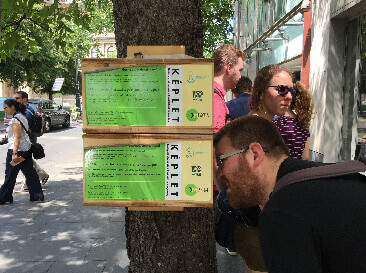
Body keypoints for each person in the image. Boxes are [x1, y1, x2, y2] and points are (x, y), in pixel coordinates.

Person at [214, 115, 366, 273]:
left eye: (221, 161)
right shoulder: (329, 178)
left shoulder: (281, 214)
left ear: (255, 154)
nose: (218, 174)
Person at [223, 64, 298, 273]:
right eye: (282, 89)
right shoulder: (253, 129)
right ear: (262, 91)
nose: (289, 96)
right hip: (260, 220)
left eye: (293, 90)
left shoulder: (269, 126)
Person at [211, 44, 245, 256]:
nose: (241, 76)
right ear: (229, 67)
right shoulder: (215, 100)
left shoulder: (215, 95)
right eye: (240, 69)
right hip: (212, 189)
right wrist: (224, 190)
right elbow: (211, 151)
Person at [0, 99, 44, 204]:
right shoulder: (22, 117)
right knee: (30, 173)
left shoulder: (15, 120)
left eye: (5, 107)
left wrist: (14, 154)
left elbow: (17, 137)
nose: (4, 110)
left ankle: (4, 197)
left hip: (17, 151)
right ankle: (37, 195)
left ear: (12, 107)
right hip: (26, 150)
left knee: (10, 174)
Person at [15, 91, 49, 189]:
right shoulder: (29, 109)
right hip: (29, 139)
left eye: (17, 98)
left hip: (27, 141)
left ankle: (34, 179)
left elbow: (22, 127)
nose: (15, 100)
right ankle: (34, 179)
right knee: (25, 160)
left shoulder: (25, 112)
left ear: (24, 99)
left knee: (22, 160)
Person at [272, 81, 314, 159]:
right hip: (298, 168)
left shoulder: (276, 123)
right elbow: (305, 157)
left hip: (282, 169)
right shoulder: (304, 125)